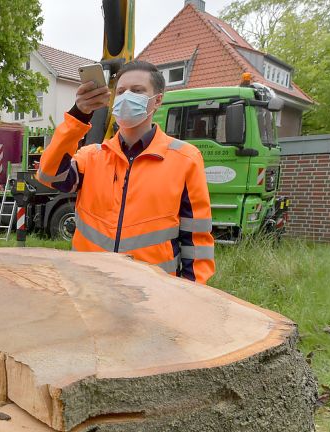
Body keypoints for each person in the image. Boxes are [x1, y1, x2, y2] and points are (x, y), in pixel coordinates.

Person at [36, 60, 215, 284]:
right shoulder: (91, 156)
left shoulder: (185, 159)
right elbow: (49, 175)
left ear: (157, 100)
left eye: (137, 91)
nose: (127, 96)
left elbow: (196, 240)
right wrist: (79, 116)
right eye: (121, 91)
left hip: (152, 295)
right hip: (89, 286)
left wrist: (193, 296)